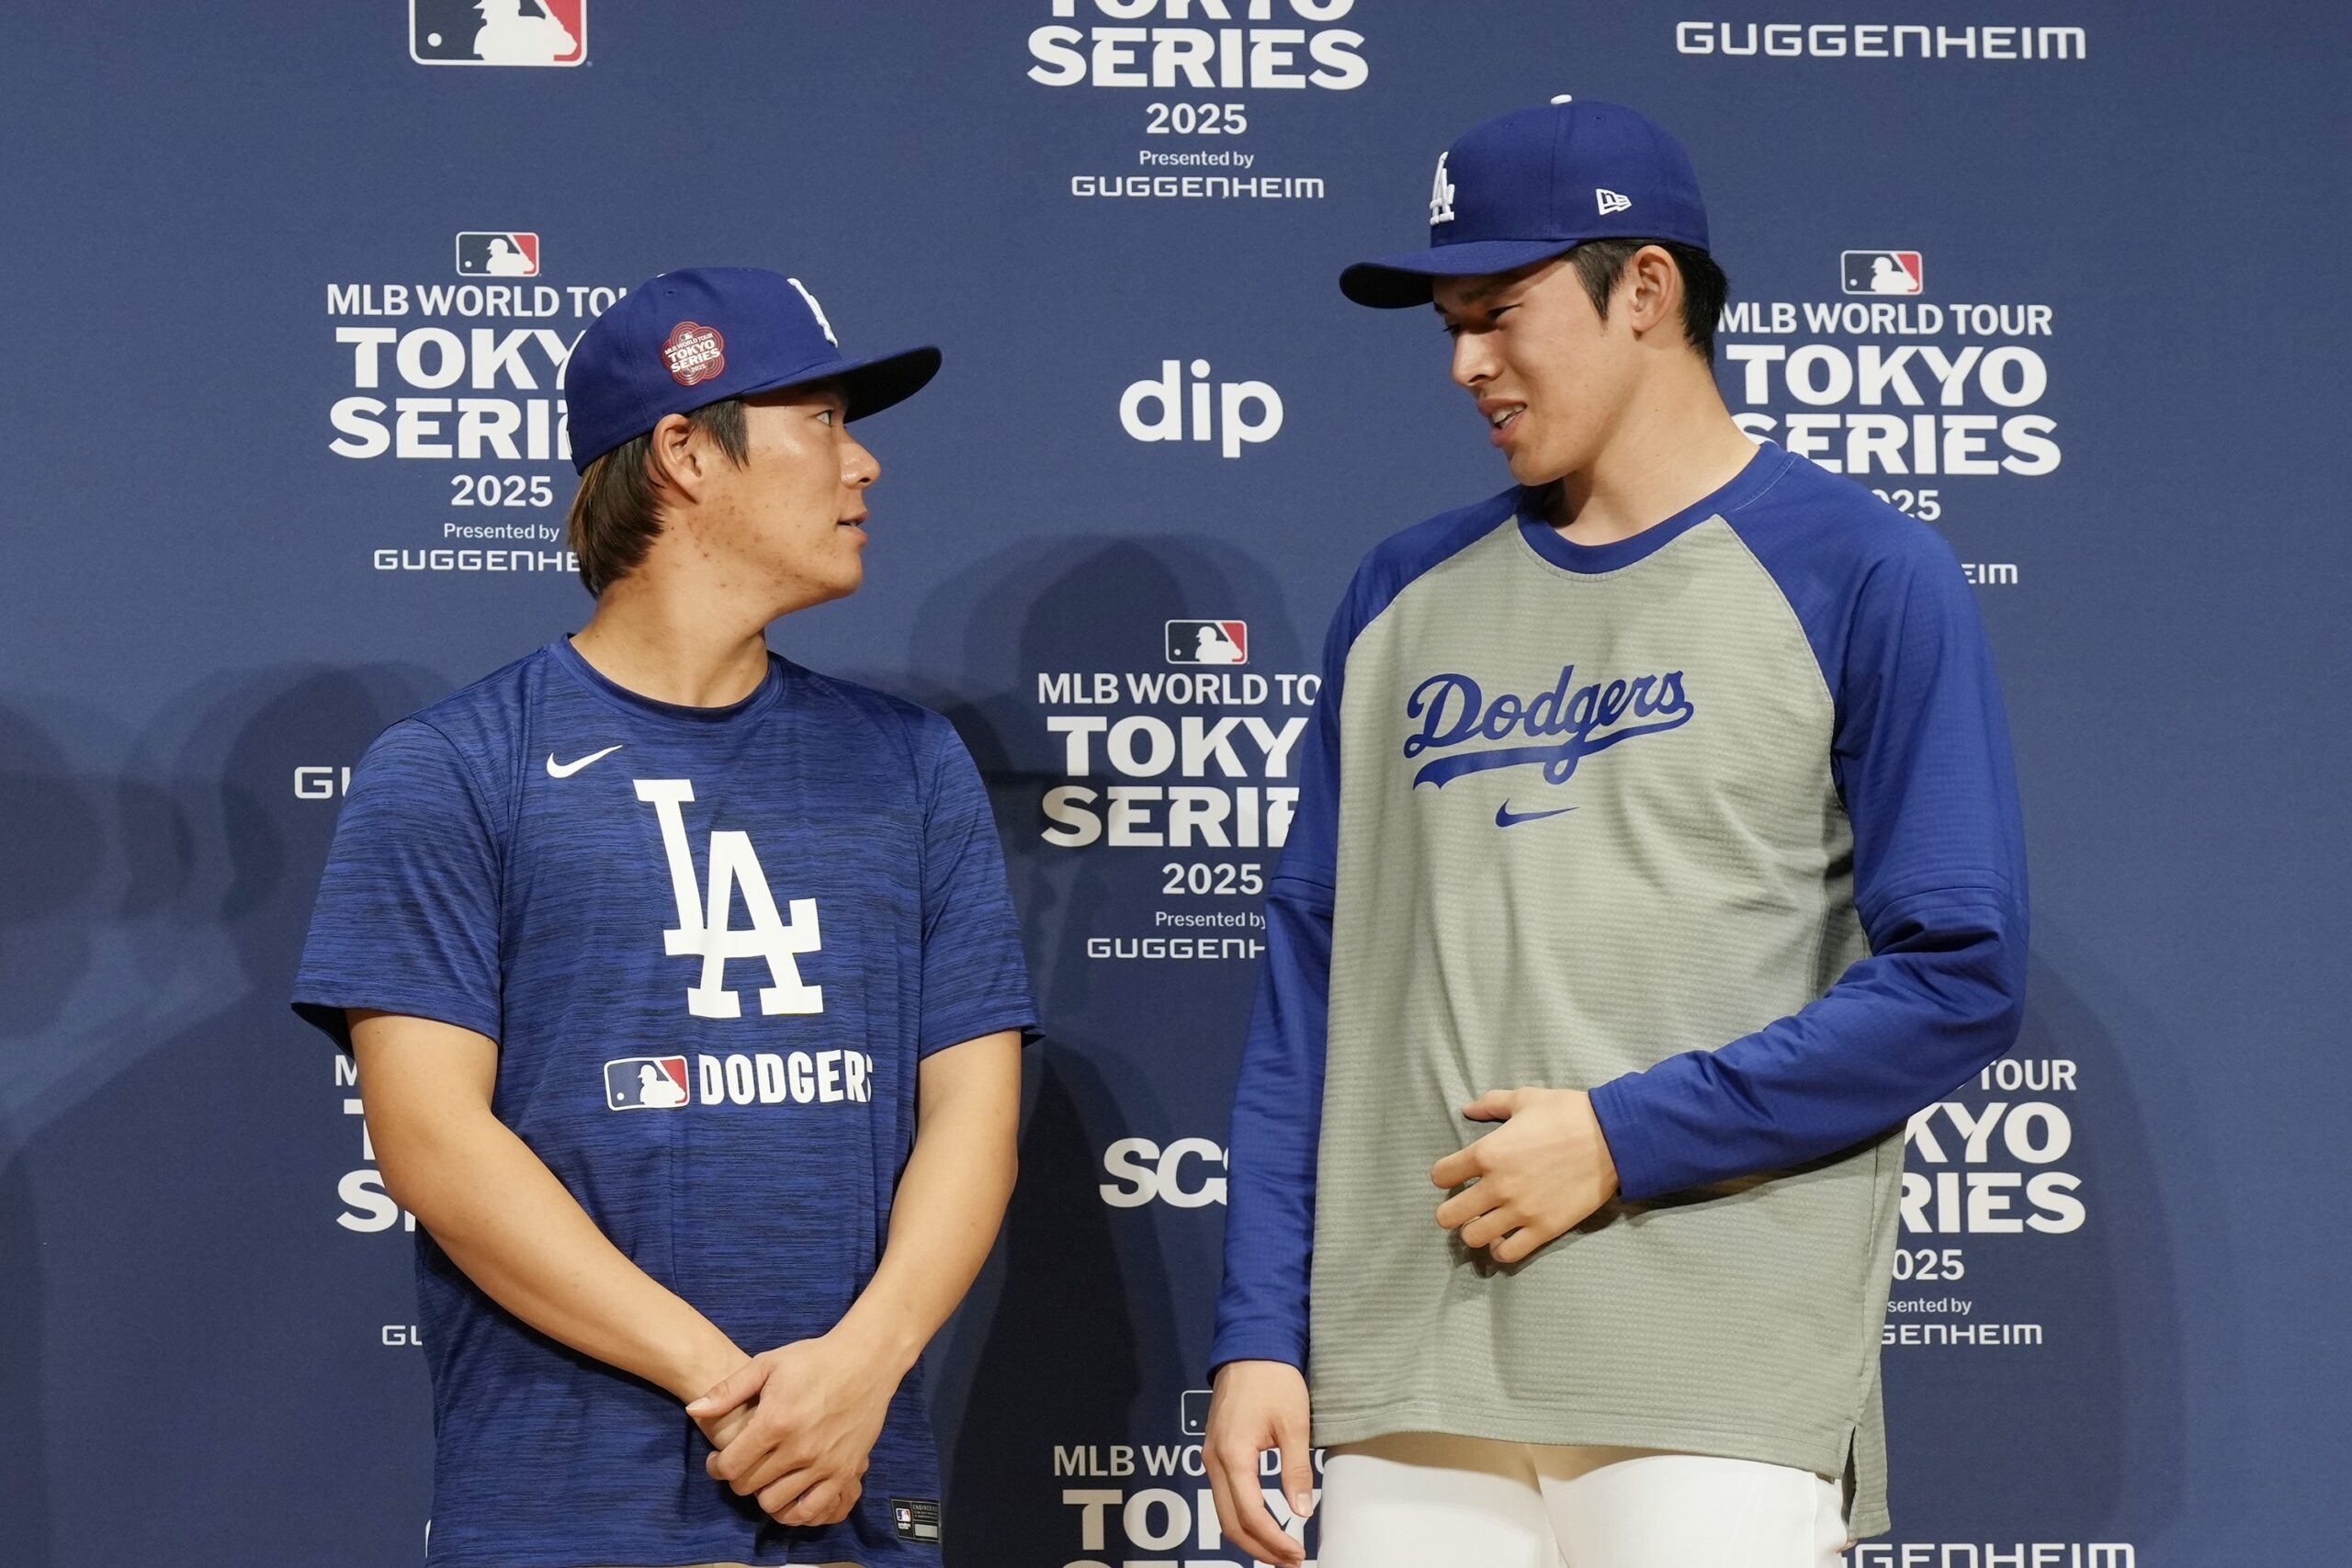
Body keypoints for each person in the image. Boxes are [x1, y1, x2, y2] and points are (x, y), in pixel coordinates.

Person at [1205, 100, 2028, 1568]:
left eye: (1500, 313)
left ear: (1645, 289)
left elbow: (1955, 975)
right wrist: (1261, 1330)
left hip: (1708, 1383)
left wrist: (1617, 1138)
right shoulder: (1400, 594)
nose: (1466, 363)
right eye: (1450, 322)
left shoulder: (1863, 571)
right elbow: (1312, 989)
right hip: (1407, 1378)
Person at [293, 266, 1035, 1568]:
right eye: (823, 422)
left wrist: (863, 1366)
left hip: (852, 1481)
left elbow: (973, 1108)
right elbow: (428, 1139)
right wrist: (729, 1383)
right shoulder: (456, 766)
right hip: (573, 1496)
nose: (864, 467)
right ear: (687, 450)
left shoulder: (910, 764)